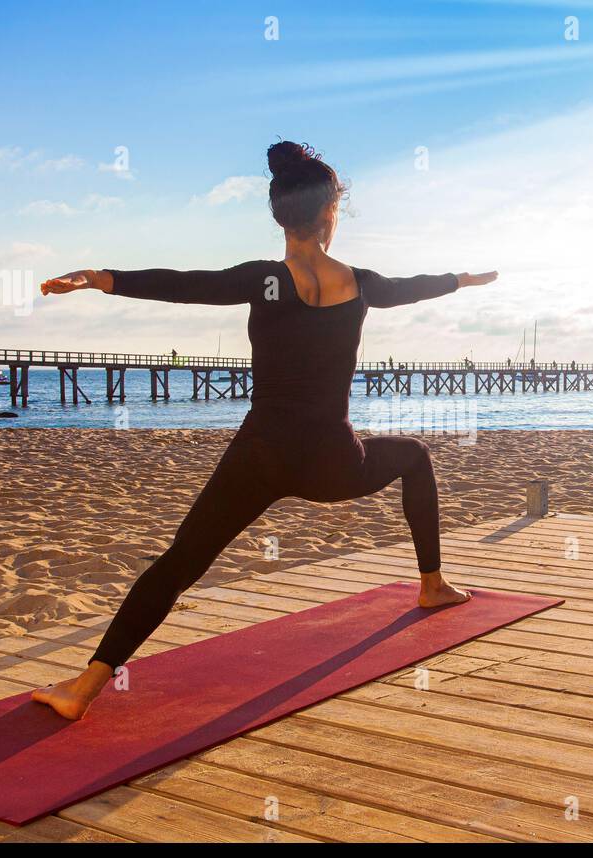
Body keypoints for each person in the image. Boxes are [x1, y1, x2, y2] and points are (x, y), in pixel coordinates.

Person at [32, 141, 498, 720]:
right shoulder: (361, 282)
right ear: (331, 214)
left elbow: (185, 284)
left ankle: (83, 688)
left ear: (280, 217)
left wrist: (98, 277)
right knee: (414, 455)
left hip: (262, 456)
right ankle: (431, 583)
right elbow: (410, 287)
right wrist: (460, 279)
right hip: (334, 461)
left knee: (180, 563)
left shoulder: (265, 281)